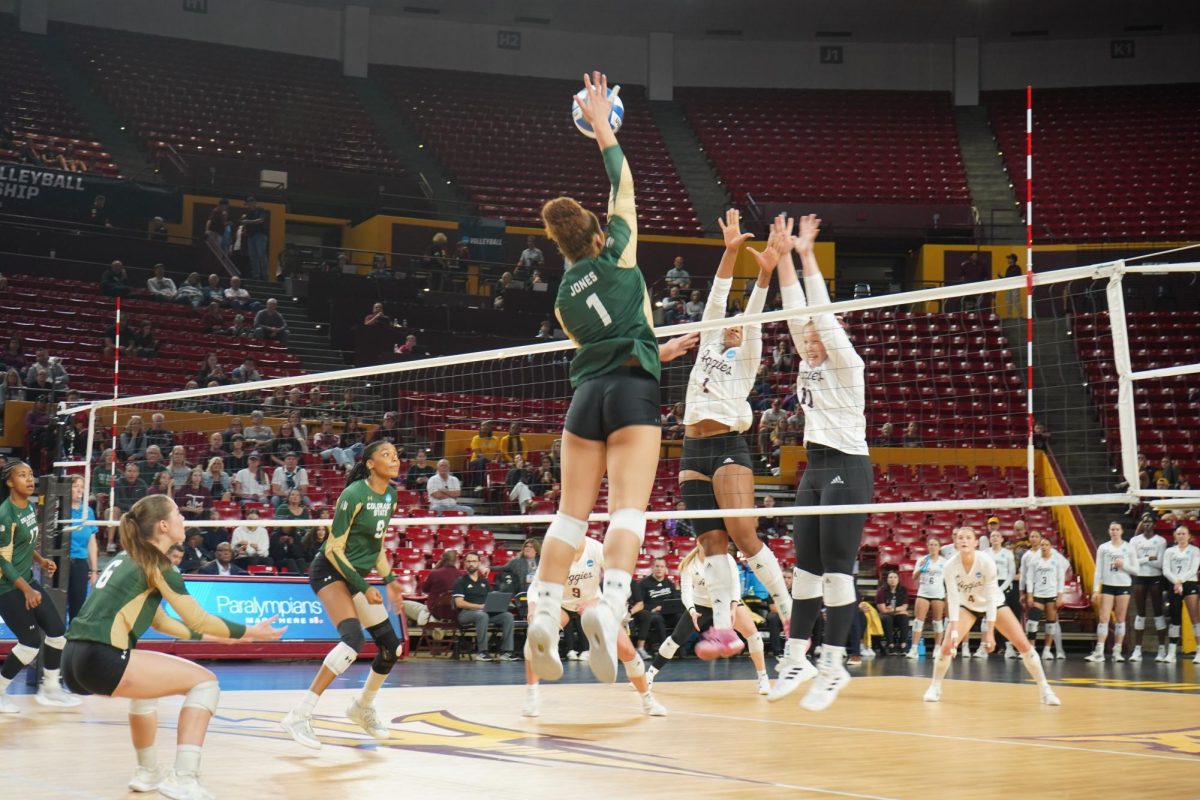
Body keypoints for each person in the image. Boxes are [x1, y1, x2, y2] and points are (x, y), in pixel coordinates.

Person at [525, 73, 698, 687]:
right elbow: (623, 180)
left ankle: (544, 616)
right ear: (597, 236)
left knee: (571, 518)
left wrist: (661, 348)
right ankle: (610, 606)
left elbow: (600, 343)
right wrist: (602, 121)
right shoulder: (617, 253)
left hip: (585, 399)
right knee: (628, 509)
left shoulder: (563, 300)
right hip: (632, 393)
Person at [62, 494, 284, 797]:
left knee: (147, 691)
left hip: (73, 659)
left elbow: (162, 623)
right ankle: (184, 777)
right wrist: (252, 632)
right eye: (178, 513)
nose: (184, 519)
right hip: (103, 656)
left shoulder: (127, 557)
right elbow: (198, 619)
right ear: (163, 525)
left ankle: (148, 772)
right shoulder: (158, 562)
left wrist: (225, 638)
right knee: (206, 683)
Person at [764, 213, 872, 712]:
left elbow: (821, 316)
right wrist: (783, 253)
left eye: (817, 336)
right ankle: (796, 656)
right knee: (803, 573)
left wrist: (807, 255)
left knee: (835, 572)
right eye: (804, 336)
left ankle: (833, 664)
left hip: (848, 467)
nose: (809, 339)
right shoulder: (806, 355)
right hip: (814, 466)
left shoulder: (848, 364)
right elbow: (794, 309)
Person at [678, 208, 791, 660]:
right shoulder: (708, 341)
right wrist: (730, 252)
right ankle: (723, 630)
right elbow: (718, 297)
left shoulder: (745, 358)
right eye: (731, 321)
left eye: (741, 325)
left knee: (744, 535)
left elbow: (754, 316)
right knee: (711, 544)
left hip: (728, 445)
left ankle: (787, 607)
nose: (734, 324)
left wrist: (764, 276)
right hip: (692, 448)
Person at [279, 441, 405, 750]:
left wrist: (389, 580)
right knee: (353, 640)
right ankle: (299, 714)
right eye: (386, 455)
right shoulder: (353, 495)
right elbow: (334, 549)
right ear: (371, 463)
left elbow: (376, 547)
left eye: (396, 455)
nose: (394, 459)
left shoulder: (391, 495)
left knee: (392, 646)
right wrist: (364, 587)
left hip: (354, 576)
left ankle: (362, 706)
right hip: (328, 571)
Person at [523, 535, 666, 717]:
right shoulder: (555, 548)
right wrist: (533, 608)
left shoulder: (597, 548)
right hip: (560, 604)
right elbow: (536, 586)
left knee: (628, 652)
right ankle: (531, 696)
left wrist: (600, 601)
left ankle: (647, 700)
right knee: (536, 637)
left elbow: (620, 585)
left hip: (592, 603)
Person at [923, 527, 1061, 706]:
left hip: (993, 603)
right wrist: (954, 629)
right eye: (960, 537)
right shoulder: (950, 566)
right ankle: (935, 686)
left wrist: (988, 632)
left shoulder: (985, 561)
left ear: (975, 543)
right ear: (956, 542)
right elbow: (953, 598)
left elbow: (989, 596)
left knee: (1023, 645)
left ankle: (1045, 690)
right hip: (967, 605)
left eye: (968, 537)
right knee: (947, 645)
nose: (964, 540)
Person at [0, 461, 82, 712]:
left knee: (57, 631)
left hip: (26, 579)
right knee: (30, 641)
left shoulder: (30, 507)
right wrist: (27, 589)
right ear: (10, 482)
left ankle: (51, 689)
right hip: (6, 587)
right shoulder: (6, 514)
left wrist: (41, 560)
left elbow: (24, 545)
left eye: (31, 474)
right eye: (22, 475)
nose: (29, 479)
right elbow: (3, 560)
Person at [646, 546, 770, 695]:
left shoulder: (726, 558)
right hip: (701, 604)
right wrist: (691, 610)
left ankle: (763, 678)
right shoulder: (689, 564)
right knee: (675, 639)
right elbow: (686, 593)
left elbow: (735, 584)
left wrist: (733, 606)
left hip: (726, 601)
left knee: (753, 635)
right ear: (699, 542)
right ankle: (649, 676)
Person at [1085, 522, 1140, 662]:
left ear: (1121, 531)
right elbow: (1098, 570)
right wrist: (1096, 590)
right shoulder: (1103, 547)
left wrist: (1124, 565)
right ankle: (1099, 652)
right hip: (1108, 585)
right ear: (1109, 531)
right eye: (1112, 529)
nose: (1114, 531)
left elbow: (1136, 570)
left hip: (1123, 585)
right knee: (1104, 618)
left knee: (1120, 619)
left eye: (1117, 529)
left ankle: (1117, 651)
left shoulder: (1129, 548)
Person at [452, 551, 517, 662]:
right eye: (468, 561)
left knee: (507, 616)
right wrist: (479, 607)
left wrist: (497, 605)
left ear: (478, 563)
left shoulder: (484, 581)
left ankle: (506, 652)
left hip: (484, 612)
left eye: (474, 561)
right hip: (466, 613)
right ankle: (482, 652)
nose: (471, 564)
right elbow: (459, 603)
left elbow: (489, 599)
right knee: (482, 615)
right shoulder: (460, 581)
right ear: (464, 564)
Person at [1128, 516, 1169, 662]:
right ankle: (1137, 650)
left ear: (1155, 524)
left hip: (1155, 578)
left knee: (1158, 612)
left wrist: (1143, 561)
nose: (1146, 524)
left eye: (1149, 521)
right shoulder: (1134, 541)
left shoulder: (1161, 541)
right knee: (1140, 613)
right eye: (1144, 521)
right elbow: (1132, 562)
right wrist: (1148, 558)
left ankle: (1162, 649)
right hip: (1140, 577)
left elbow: (1160, 563)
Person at [902, 536, 949, 660]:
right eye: (931, 545)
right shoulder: (922, 560)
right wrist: (920, 569)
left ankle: (937, 648)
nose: (933, 547)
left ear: (939, 547)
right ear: (928, 547)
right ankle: (914, 649)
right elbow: (914, 577)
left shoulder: (944, 562)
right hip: (923, 592)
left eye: (935, 545)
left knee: (938, 622)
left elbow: (948, 579)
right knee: (918, 621)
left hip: (938, 594)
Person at [1161, 525, 1200, 664]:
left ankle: (1199, 650)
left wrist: (1180, 581)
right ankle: (1171, 653)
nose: (1181, 536)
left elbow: (1193, 569)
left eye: (1184, 534)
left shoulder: (1195, 551)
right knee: (1174, 618)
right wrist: (1176, 582)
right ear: (1175, 536)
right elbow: (1166, 570)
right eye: (1179, 534)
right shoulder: (1169, 551)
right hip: (1174, 584)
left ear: (1189, 536)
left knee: (1195, 617)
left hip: (1189, 583)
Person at [1025, 538, 1067, 660]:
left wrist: (1060, 596)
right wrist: (1029, 595)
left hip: (1051, 595)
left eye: (1046, 544)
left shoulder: (1056, 561)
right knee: (1032, 623)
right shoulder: (1035, 560)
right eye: (1042, 545)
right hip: (1038, 594)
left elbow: (1060, 579)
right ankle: (1031, 649)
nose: (1044, 546)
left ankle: (1047, 650)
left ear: (1050, 546)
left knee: (1050, 624)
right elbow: (1029, 578)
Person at [65, 475, 99, 621]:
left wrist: (94, 571)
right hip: (62, 563)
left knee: (77, 605)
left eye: (82, 486)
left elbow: (92, 542)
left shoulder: (88, 512)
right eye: (75, 486)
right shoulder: (60, 510)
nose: (79, 490)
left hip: (80, 563)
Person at [985, 528, 1020, 658]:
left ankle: (1009, 647)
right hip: (989, 585)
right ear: (990, 539)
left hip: (1004, 585)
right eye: (992, 535)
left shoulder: (1007, 553)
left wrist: (1001, 588)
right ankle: (984, 647)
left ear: (1001, 539)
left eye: (997, 535)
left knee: (1006, 618)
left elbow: (1011, 573)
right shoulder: (985, 553)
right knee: (989, 617)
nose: (994, 537)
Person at [634, 558, 678, 657]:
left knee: (681, 617)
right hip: (652, 614)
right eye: (657, 566)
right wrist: (652, 609)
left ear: (665, 569)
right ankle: (664, 649)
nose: (659, 569)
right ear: (652, 568)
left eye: (662, 567)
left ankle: (681, 649)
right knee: (658, 619)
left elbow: (675, 601)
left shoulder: (669, 584)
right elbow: (640, 603)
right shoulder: (644, 583)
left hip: (667, 613)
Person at [874, 571, 910, 655]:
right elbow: (883, 610)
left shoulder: (903, 590)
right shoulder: (881, 591)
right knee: (888, 619)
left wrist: (892, 609)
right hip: (883, 616)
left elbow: (905, 607)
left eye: (895, 577)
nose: (893, 579)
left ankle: (903, 645)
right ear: (887, 580)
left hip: (895, 615)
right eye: (890, 577)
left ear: (898, 579)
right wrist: (898, 610)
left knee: (904, 617)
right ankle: (891, 645)